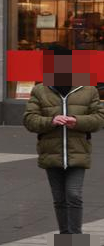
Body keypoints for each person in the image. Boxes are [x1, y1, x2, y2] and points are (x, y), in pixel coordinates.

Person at [23, 49, 104, 234]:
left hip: (78, 152)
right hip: (51, 152)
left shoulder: (87, 88)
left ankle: (75, 239)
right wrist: (51, 121)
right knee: (59, 199)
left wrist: (77, 121)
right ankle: (65, 240)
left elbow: (99, 118)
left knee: (73, 195)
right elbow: (29, 120)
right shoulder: (40, 90)